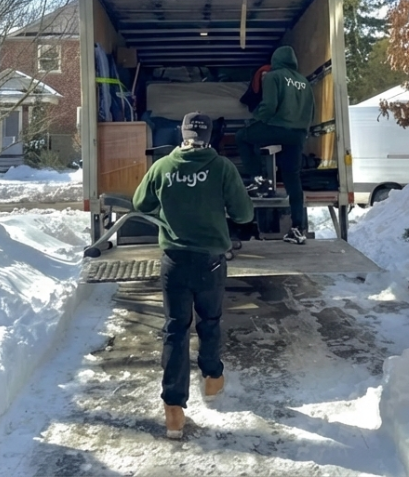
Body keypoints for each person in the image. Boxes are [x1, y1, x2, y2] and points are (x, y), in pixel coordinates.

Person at [132, 112, 254, 440]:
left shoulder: (162, 167)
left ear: (181, 134)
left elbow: (139, 203)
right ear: (210, 136)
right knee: (209, 320)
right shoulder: (222, 168)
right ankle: (212, 379)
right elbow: (244, 213)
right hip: (210, 259)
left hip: (174, 260)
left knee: (175, 329)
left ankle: (174, 409)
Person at [235, 45, 314, 244]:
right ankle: (297, 228)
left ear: (276, 60)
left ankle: (258, 180)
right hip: (297, 135)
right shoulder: (304, 81)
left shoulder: (273, 76)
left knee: (243, 136)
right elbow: (310, 111)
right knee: (292, 179)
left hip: (277, 128)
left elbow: (269, 106)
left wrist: (256, 120)